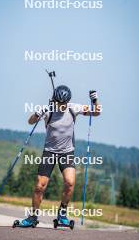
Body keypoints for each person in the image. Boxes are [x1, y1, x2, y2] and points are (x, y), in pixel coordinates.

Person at [21, 85, 101, 226]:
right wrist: (36, 114)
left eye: (64, 104)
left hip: (67, 152)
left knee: (70, 183)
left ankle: (62, 213)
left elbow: (96, 113)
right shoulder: (48, 111)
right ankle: (32, 217)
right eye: (59, 103)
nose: (62, 106)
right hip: (49, 151)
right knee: (40, 186)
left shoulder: (73, 108)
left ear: (68, 102)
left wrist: (94, 100)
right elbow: (30, 121)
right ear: (54, 100)